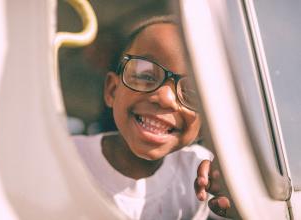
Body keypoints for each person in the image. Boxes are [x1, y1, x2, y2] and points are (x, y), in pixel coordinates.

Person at [73, 16, 232, 219]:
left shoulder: (200, 174)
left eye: (192, 92)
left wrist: (238, 199)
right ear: (112, 91)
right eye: (146, 75)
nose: (165, 99)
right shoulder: (65, 154)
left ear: (205, 123)